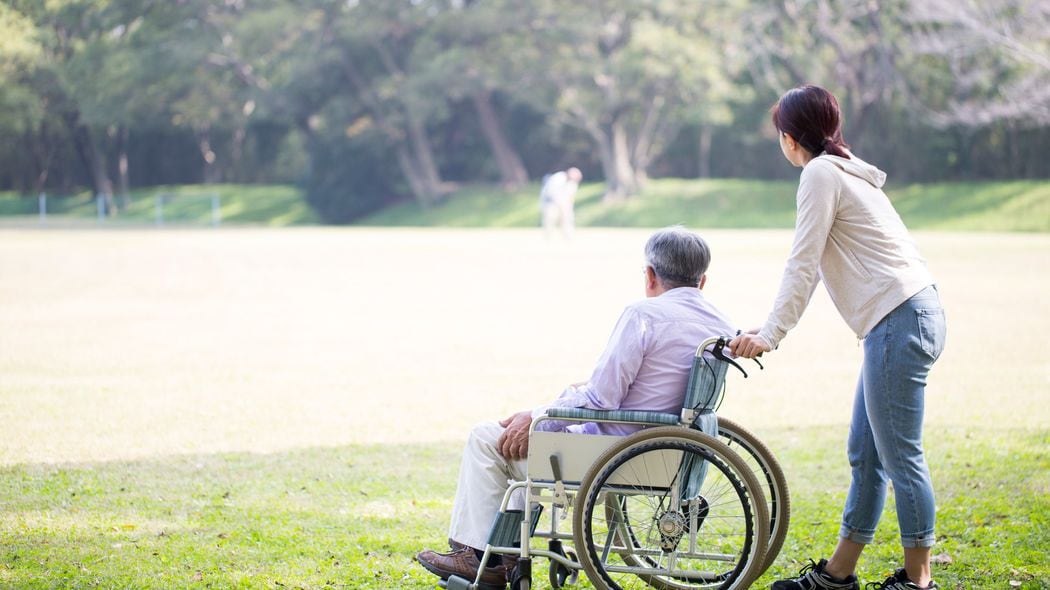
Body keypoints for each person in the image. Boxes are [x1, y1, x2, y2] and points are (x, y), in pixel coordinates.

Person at [416, 226, 735, 587]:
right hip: (669, 453)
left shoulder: (644, 315)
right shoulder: (721, 324)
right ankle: (501, 557)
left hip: (608, 454)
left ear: (649, 275)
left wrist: (538, 418)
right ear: (702, 281)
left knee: (487, 438)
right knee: (522, 442)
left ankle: (478, 557)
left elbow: (601, 398)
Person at [729, 85, 947, 590]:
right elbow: (814, 265)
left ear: (789, 138)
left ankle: (919, 581)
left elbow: (803, 262)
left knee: (901, 456)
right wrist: (770, 327)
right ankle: (838, 574)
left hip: (899, 318)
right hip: (907, 315)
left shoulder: (821, 173)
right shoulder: (847, 170)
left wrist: (772, 333)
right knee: (866, 455)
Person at [539, 167, 582, 238]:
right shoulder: (558, 177)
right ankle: (548, 236)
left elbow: (571, 196)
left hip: (563, 204)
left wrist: (568, 205)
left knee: (567, 219)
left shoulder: (573, 183)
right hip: (551, 202)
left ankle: (567, 235)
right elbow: (551, 192)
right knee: (550, 219)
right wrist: (560, 203)